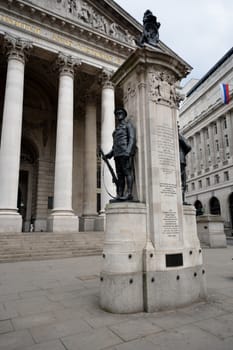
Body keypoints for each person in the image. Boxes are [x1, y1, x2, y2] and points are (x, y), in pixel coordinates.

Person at [105, 108, 136, 201]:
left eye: (120, 113)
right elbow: (115, 145)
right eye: (117, 114)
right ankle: (120, 194)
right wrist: (109, 154)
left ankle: (129, 193)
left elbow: (132, 138)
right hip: (117, 154)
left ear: (124, 114)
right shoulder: (116, 131)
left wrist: (128, 151)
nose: (118, 115)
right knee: (120, 175)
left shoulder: (128, 125)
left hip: (125, 153)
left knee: (127, 173)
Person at [178, 127, 191, 204]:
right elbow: (188, 146)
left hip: (179, 160)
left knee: (182, 180)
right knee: (182, 180)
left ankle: (182, 199)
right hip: (180, 160)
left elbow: (188, 146)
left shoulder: (178, 135)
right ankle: (182, 200)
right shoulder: (178, 135)